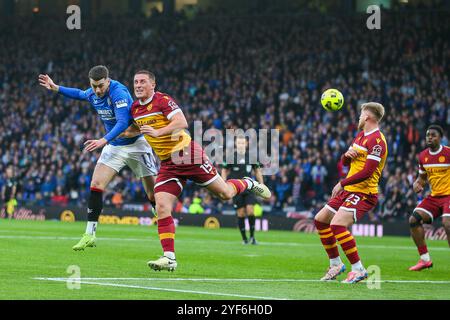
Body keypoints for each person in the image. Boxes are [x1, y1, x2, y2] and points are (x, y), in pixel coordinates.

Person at [123, 70, 271, 271]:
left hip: (188, 155)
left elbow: (181, 122)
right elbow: (133, 129)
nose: (138, 85)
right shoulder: (135, 109)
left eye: (142, 82)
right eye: (135, 82)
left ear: (153, 84)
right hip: (168, 164)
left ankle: (248, 182)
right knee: (162, 206)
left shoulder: (162, 100)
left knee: (225, 194)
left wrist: (157, 132)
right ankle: (169, 257)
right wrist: (113, 135)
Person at [38, 65, 158, 250]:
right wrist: (56, 88)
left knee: (152, 193)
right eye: (94, 86)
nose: (97, 90)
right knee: (96, 184)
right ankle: (89, 234)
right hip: (114, 146)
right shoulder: (93, 93)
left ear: (108, 81)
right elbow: (79, 94)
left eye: (101, 86)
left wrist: (103, 140)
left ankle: (160, 213)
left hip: (136, 145)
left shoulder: (118, 93)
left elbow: (123, 122)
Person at [313, 102, 388, 284]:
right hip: (350, 190)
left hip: (364, 193)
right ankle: (336, 264)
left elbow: (368, 172)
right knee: (320, 220)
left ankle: (358, 269)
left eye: (361, 114)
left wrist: (342, 182)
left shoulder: (377, 141)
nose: (359, 117)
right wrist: (346, 156)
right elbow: (345, 162)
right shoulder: (361, 136)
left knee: (337, 225)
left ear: (368, 117)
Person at [408, 124, 450, 271]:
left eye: (433, 135)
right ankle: (425, 260)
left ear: (441, 138)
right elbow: (422, 178)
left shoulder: (448, 153)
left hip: (449, 196)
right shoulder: (423, 156)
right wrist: (417, 183)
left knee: (447, 223)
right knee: (414, 220)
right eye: (428, 135)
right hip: (434, 197)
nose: (430, 137)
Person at [221, 136, 264, 245]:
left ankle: (253, 237)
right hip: (236, 189)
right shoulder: (231, 156)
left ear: (246, 144)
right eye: (239, 143)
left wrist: (261, 184)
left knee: (250, 210)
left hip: (249, 187)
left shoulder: (252, 156)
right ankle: (244, 239)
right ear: (236, 144)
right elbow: (224, 170)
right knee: (241, 213)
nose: (240, 144)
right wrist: (223, 183)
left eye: (242, 143)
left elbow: (257, 171)